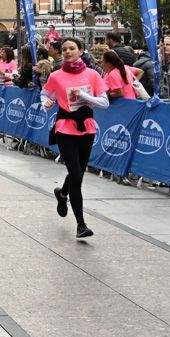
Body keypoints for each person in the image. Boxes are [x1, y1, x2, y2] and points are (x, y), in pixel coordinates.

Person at [42, 38, 108, 240]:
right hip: (65, 128)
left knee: (78, 170)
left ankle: (62, 194)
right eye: (64, 49)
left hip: (86, 127)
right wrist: (47, 102)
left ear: (81, 51)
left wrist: (84, 97)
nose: (68, 52)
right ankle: (81, 224)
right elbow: (45, 93)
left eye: (72, 48)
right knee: (76, 175)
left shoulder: (93, 74)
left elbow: (104, 102)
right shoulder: (56, 75)